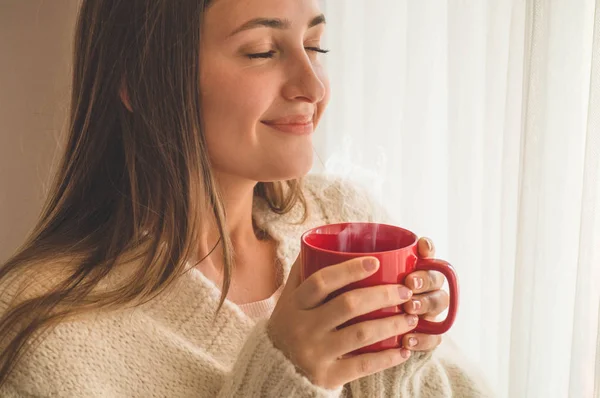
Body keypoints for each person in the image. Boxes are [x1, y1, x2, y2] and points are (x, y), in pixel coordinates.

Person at [0, 0, 492, 396]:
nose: (313, 86)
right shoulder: (50, 333)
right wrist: (285, 378)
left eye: (315, 47)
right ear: (140, 80)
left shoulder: (345, 218)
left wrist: (396, 359)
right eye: (261, 51)